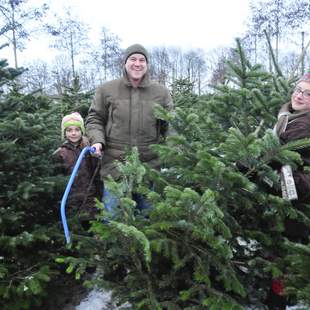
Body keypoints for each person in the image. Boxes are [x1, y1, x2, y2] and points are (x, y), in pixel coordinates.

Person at [85, 43, 173, 213]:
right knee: (113, 216)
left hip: (148, 166)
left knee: (147, 216)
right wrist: (97, 141)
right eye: (133, 59)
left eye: (142, 60)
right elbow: (94, 118)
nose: (137, 63)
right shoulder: (106, 89)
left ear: (147, 65)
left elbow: (171, 124)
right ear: (125, 62)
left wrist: (173, 149)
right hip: (115, 165)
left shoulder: (161, 92)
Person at [267, 73, 310, 309]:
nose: (299, 95)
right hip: (287, 193)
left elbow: (277, 156)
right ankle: (284, 294)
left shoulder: (304, 124)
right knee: (286, 249)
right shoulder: (287, 117)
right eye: (298, 89)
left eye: (308, 93)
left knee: (285, 250)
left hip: (298, 198)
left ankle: (278, 301)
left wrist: (251, 165)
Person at [53, 112, 102, 226]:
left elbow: (98, 173)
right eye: (69, 130)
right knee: (75, 228)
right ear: (64, 133)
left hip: (91, 198)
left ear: (82, 131)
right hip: (72, 199)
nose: (73, 133)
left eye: (77, 130)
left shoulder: (90, 149)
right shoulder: (60, 153)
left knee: (93, 227)